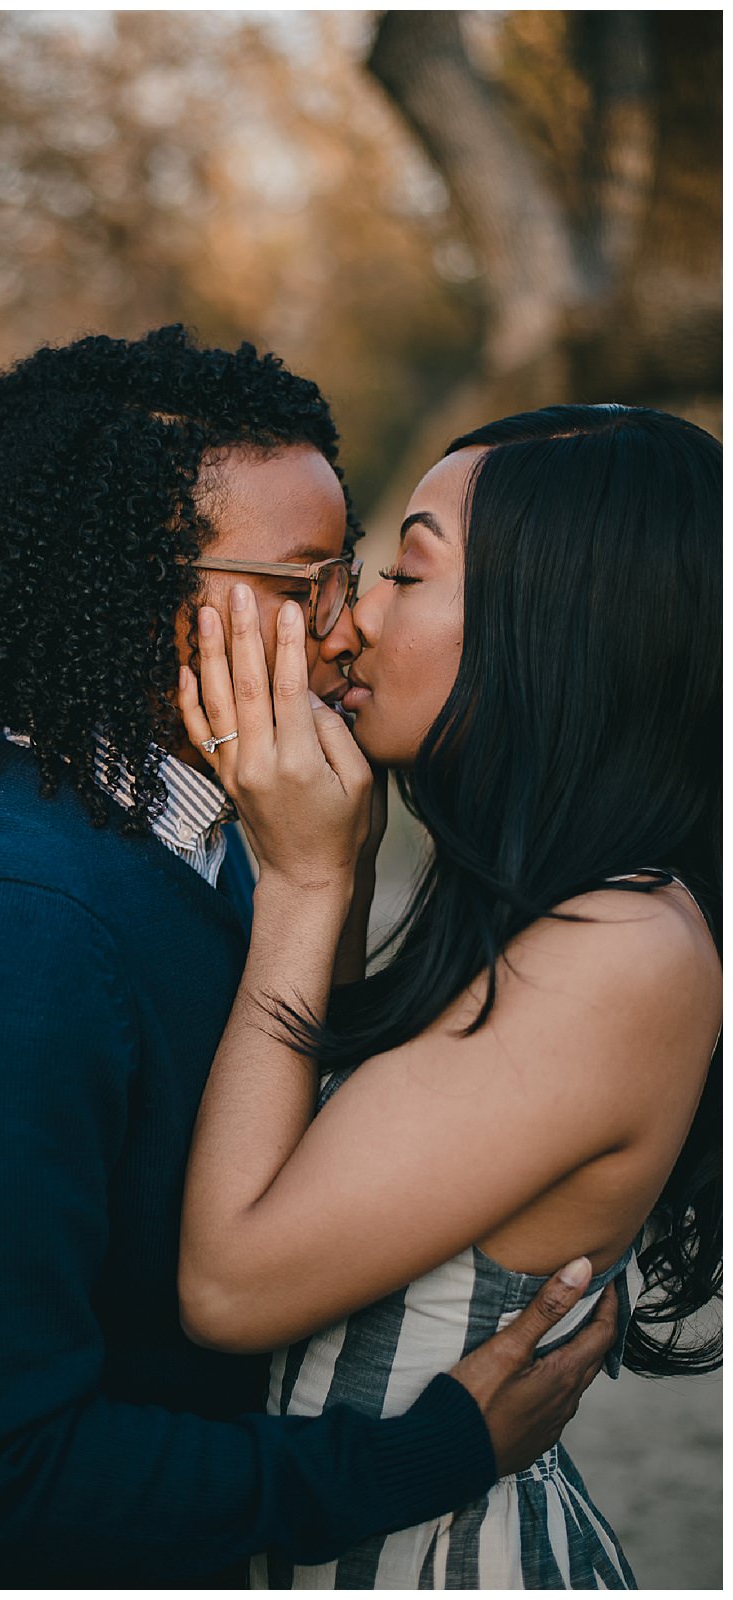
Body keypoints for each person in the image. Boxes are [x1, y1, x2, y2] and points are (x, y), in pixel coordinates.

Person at [0, 334, 617, 1590]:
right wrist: (415, 1458)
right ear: (128, 588)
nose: (348, 630)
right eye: (305, 584)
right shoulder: (14, 915)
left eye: (354, 573)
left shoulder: (209, 837)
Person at [176, 402, 721, 1589]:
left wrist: (306, 880)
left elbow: (231, 1281)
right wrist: (351, 854)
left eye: (406, 572)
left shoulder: (624, 949)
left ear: (556, 628)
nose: (354, 618)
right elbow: (332, 1136)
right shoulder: (545, 913)